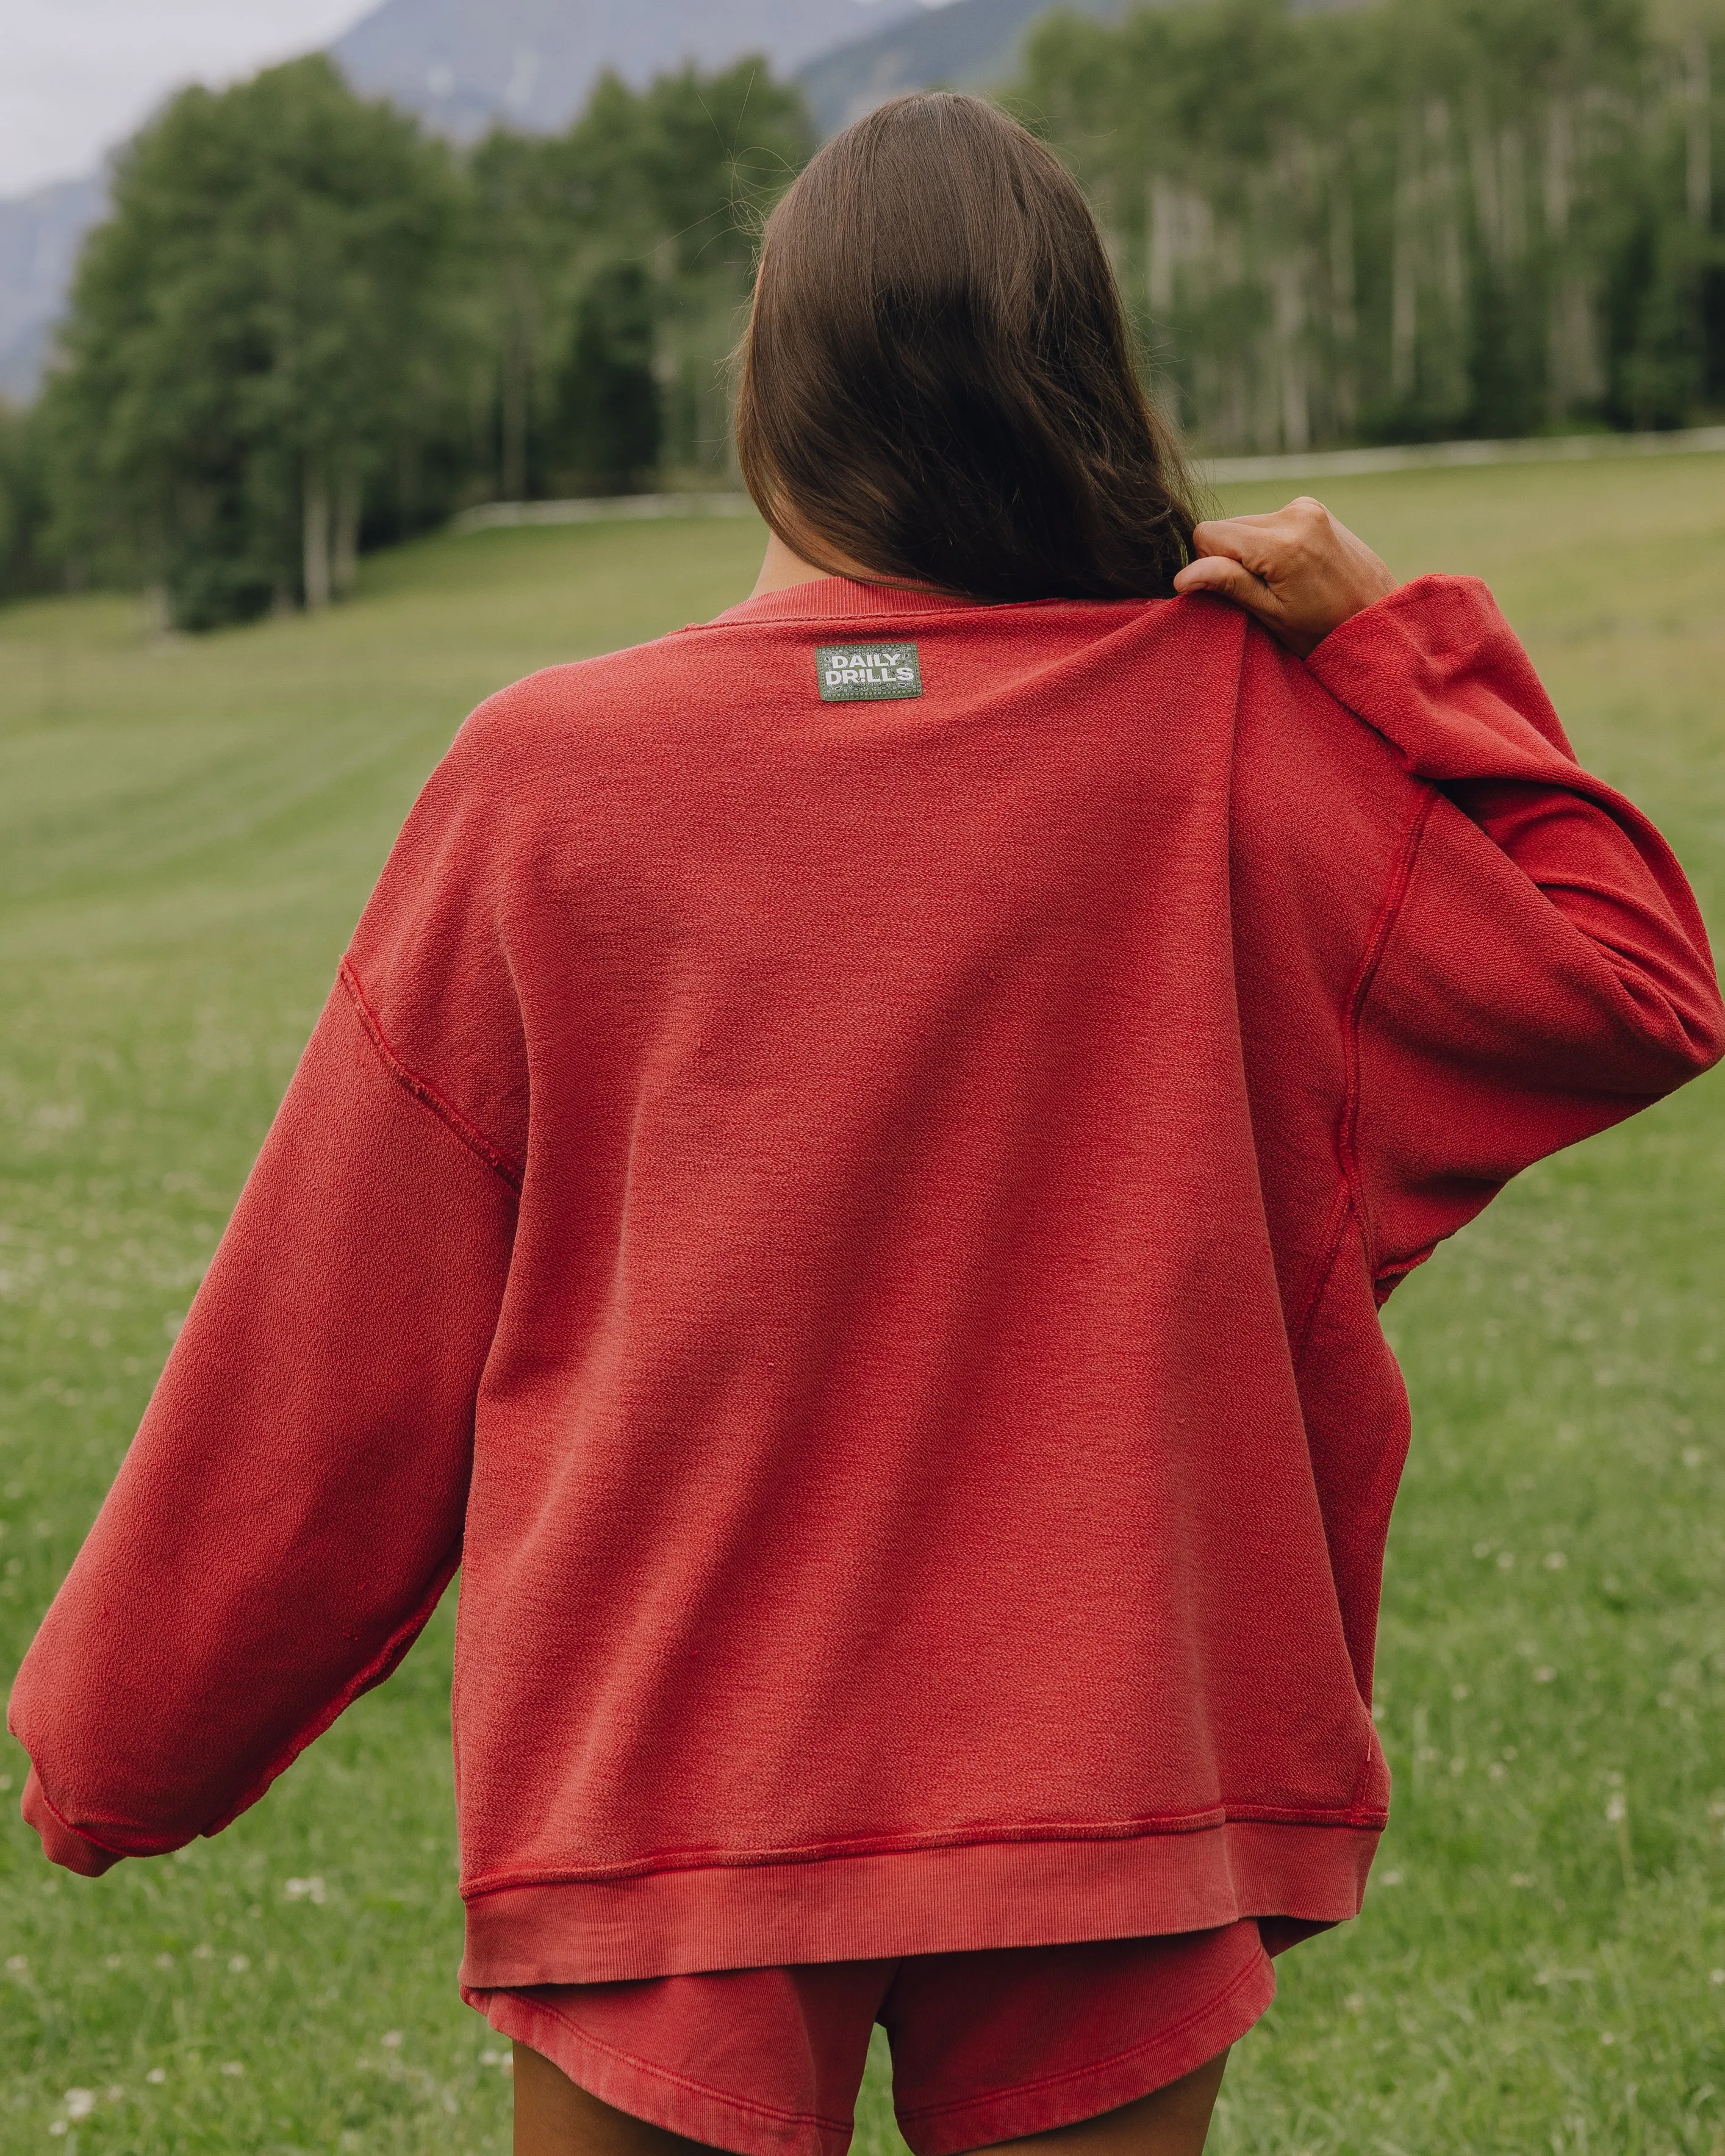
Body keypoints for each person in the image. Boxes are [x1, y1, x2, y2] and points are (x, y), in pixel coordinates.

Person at [10, 91, 1723, 2156]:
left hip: (670, 1771)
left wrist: (120, 1739)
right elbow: (1623, 973)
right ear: (1075, 382)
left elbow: (329, 1327)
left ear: (768, 389)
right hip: (1110, 1752)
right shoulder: (1219, 733)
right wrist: (1390, 639)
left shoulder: (543, 777)